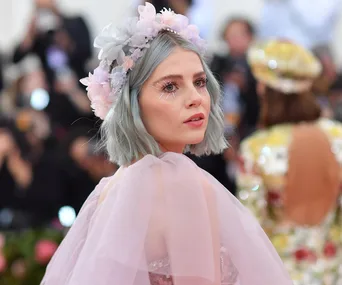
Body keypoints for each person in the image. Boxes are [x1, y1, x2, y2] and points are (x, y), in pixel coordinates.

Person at [41, 3, 292, 285]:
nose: (196, 97)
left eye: (199, 82)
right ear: (131, 103)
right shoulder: (181, 184)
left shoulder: (113, 186)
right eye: (170, 87)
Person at [237, 40, 342, 284]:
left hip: (280, 272)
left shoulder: (256, 147)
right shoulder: (338, 137)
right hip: (333, 270)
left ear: (265, 89)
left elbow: (252, 226)